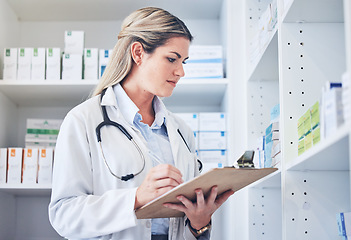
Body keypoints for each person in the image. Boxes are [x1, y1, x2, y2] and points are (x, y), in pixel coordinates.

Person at [48, 6, 234, 240]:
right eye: (172, 59)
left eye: (184, 61)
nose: (181, 72)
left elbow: (184, 229)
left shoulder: (182, 131)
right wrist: (135, 198)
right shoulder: (83, 120)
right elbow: (64, 216)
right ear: (138, 53)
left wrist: (199, 223)